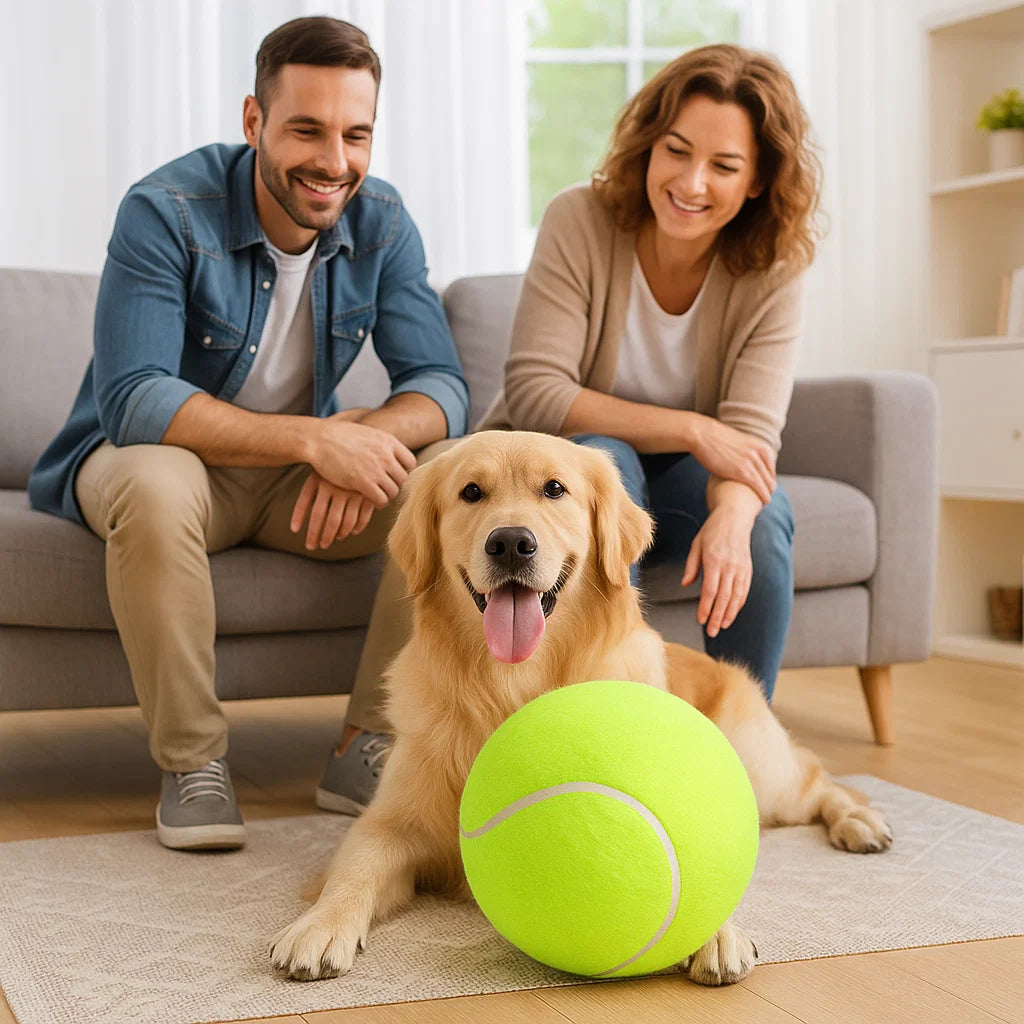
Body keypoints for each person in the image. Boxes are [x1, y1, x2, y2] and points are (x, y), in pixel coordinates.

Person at [27, 16, 468, 851]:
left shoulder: (381, 220)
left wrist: (363, 440)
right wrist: (313, 440)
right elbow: (135, 400)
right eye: (306, 129)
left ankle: (369, 746)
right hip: (158, 464)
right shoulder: (165, 210)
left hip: (290, 486)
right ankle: (193, 764)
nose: (333, 161)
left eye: (355, 134)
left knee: (451, 475)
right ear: (254, 121)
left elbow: (443, 387)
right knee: (156, 481)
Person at [480, 43, 822, 702]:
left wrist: (732, 518)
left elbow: (748, 437)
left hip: (689, 480)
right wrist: (693, 429)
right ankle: (588, 719)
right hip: (578, 455)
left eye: (723, 166)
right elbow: (536, 392)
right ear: (648, 145)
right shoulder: (578, 218)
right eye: (677, 151)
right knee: (608, 462)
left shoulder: (775, 267)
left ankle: (743, 738)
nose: (692, 183)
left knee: (764, 519)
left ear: (756, 180)